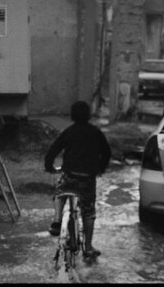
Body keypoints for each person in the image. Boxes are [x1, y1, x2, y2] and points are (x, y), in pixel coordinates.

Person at [43, 100, 112, 262]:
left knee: (60, 192)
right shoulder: (96, 133)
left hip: (70, 176)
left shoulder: (69, 132)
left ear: (72, 115)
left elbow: (53, 150)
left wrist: (49, 167)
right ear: (88, 115)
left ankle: (57, 221)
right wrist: (100, 168)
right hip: (87, 180)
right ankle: (88, 248)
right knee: (88, 212)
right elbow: (107, 153)